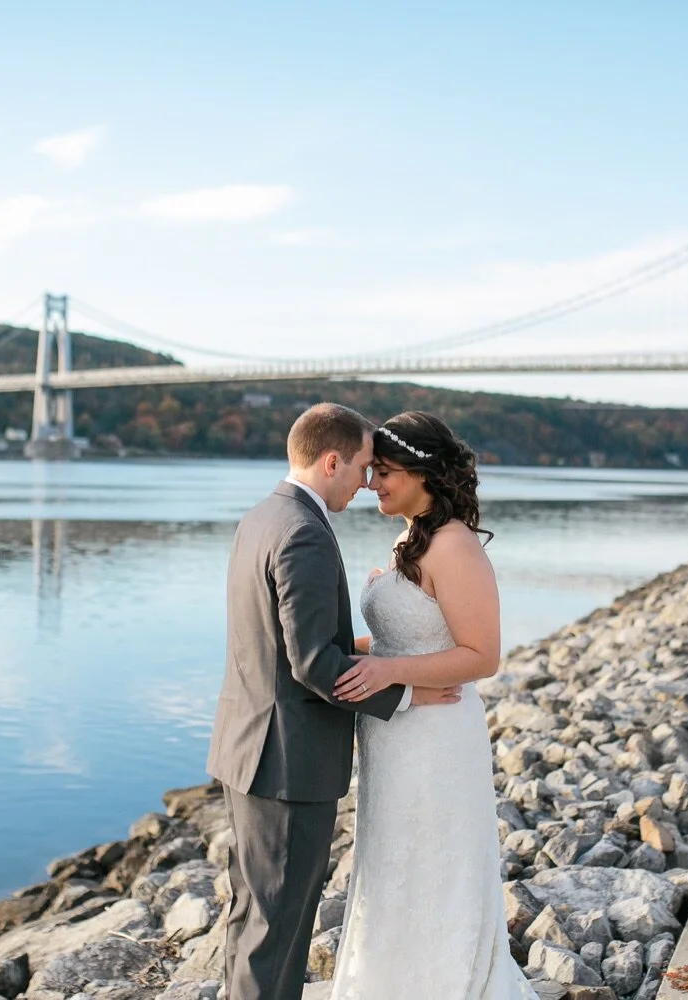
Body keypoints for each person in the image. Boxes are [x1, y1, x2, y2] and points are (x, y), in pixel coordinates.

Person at [206, 402, 461, 1000]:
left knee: (252, 913)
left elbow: (281, 640)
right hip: (289, 763)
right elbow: (314, 664)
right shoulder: (304, 534)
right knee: (279, 924)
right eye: (364, 466)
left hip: (245, 748)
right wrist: (406, 692)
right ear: (331, 461)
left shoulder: (263, 517)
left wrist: (384, 649)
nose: (368, 480)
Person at [328, 410, 538, 1000]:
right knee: (393, 859)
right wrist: (330, 657)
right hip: (395, 730)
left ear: (423, 473)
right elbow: (405, 638)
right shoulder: (409, 536)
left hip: (436, 733)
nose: (373, 484)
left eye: (386, 472)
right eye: (371, 472)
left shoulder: (453, 545)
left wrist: (386, 672)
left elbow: (481, 654)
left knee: (430, 860)